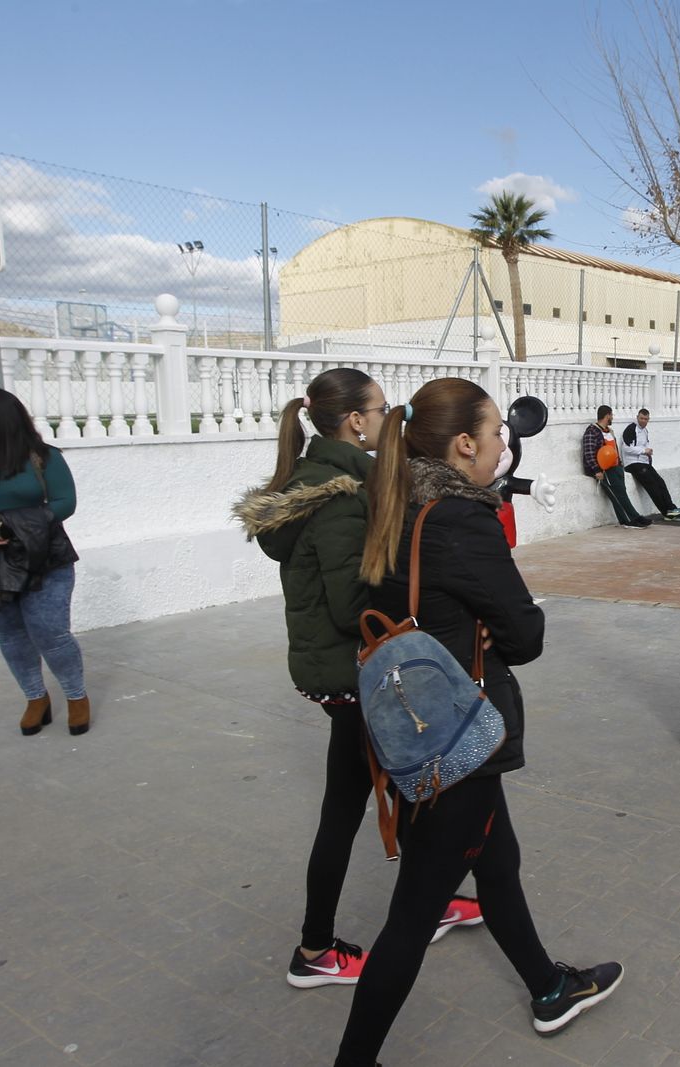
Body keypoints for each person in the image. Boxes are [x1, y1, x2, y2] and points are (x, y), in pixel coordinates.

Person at [337, 378, 621, 1064]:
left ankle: (549, 987)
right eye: (496, 433)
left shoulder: (393, 502)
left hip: (415, 725)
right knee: (412, 915)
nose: (502, 445)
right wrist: (478, 626)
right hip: (456, 738)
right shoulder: (460, 520)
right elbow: (525, 634)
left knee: (499, 862)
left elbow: (361, 608)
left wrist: (455, 622)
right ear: (465, 444)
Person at [234, 369, 484, 991]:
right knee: (353, 808)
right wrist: (424, 621)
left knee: (400, 793)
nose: (386, 417)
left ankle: (429, 900)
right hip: (353, 674)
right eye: (379, 408)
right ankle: (317, 948)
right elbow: (352, 607)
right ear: (355, 421)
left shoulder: (310, 481)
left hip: (335, 670)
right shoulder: (342, 495)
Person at [0, 388, 89, 736]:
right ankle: (35, 698)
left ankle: (76, 696)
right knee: (11, 635)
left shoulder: (44, 457)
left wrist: (15, 523)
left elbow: (65, 502)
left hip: (42, 560)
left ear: (7, 418)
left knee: (51, 633)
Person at [581, 404, 649, 528]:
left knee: (621, 494)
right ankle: (632, 519)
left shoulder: (609, 431)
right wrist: (597, 470)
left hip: (616, 467)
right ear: (607, 415)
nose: (612, 417)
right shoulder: (592, 431)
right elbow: (589, 452)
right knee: (619, 495)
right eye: (611, 415)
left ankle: (627, 519)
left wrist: (620, 464)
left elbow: (614, 449)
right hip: (604, 470)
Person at [621, 408, 680, 521]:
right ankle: (666, 513)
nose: (643, 421)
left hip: (644, 463)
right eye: (641, 418)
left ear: (648, 420)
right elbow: (626, 448)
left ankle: (672, 509)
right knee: (652, 486)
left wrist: (648, 454)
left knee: (660, 482)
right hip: (633, 463)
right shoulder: (631, 429)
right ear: (637, 417)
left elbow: (644, 446)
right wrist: (644, 451)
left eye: (646, 419)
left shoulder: (645, 431)